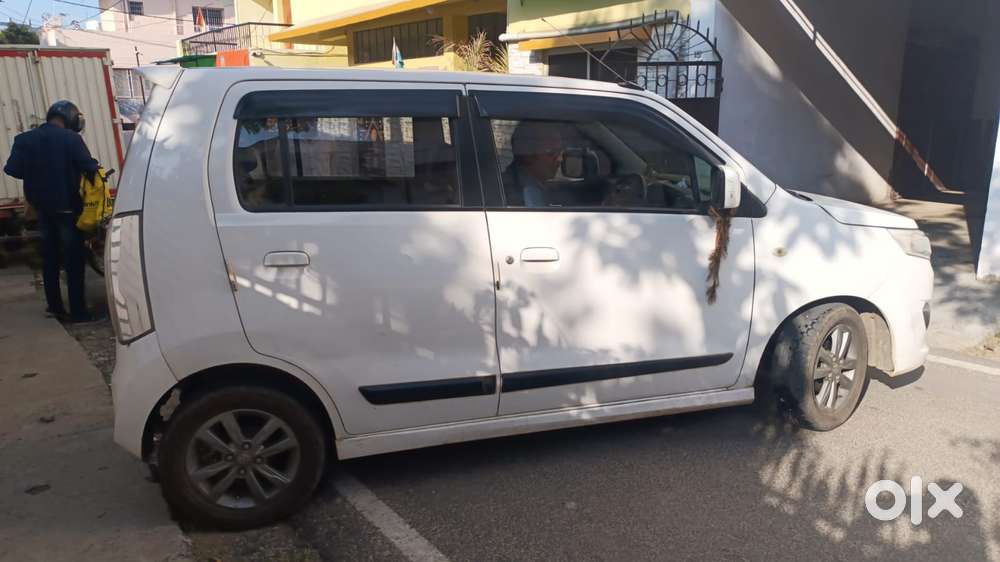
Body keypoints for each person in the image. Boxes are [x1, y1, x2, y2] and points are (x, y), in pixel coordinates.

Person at [3, 100, 98, 322]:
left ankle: (55, 307)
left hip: (41, 210)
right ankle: (79, 312)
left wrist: (35, 173)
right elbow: (90, 167)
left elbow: (12, 169)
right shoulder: (72, 139)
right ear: (70, 118)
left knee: (50, 259)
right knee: (74, 261)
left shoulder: (24, 139)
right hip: (68, 208)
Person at [502, 121, 563, 207]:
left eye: (560, 152)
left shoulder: (529, 184)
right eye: (552, 153)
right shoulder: (513, 193)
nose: (560, 159)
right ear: (527, 154)